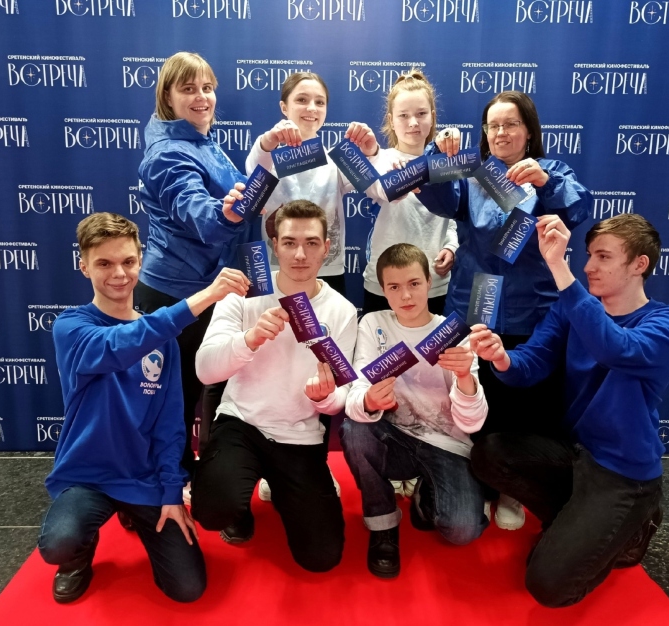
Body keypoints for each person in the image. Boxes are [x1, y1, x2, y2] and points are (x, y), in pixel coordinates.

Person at [469, 213, 669, 607]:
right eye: (588, 255)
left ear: (639, 264)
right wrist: (502, 358)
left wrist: (559, 268)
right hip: (575, 454)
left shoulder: (667, 323)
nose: (588, 267)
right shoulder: (571, 308)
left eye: (603, 257)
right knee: (491, 454)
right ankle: (577, 524)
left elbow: (615, 348)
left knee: (548, 587)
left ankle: (634, 524)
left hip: (623, 473)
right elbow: (531, 362)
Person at [38, 212, 251, 604]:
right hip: (88, 476)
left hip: (144, 479)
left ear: (141, 262)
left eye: (128, 261)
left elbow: (170, 422)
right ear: (84, 266)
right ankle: (77, 559)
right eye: (104, 263)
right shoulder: (71, 327)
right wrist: (205, 296)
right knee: (59, 541)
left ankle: (135, 510)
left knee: (188, 589)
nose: (119, 274)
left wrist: (171, 493)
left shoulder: (162, 338)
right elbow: (119, 346)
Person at [417, 91, 592, 529]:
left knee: (525, 406)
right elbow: (435, 198)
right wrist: (436, 155)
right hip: (474, 307)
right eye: (493, 125)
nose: (501, 133)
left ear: (528, 130)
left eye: (510, 124)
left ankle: (514, 487)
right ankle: (478, 483)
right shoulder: (471, 174)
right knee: (475, 401)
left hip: (532, 311)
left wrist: (545, 183)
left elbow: (577, 209)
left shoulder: (551, 171)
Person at [190, 200, 358, 573]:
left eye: (311, 243)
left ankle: (281, 488)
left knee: (322, 557)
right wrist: (248, 339)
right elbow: (205, 370)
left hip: (299, 436)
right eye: (289, 242)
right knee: (214, 509)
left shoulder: (342, 311)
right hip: (242, 423)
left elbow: (342, 398)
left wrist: (326, 397)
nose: (300, 254)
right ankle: (237, 495)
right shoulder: (244, 295)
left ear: (326, 248)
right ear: (275, 246)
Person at [135, 51, 250, 481]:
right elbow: (199, 213)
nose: (202, 97)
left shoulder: (198, 139)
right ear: (167, 96)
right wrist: (227, 214)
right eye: (189, 89)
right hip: (176, 293)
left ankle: (190, 474)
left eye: (207, 88)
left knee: (197, 389)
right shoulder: (168, 154)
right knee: (174, 396)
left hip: (208, 287)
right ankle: (165, 483)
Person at [341, 243, 488, 579]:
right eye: (394, 287)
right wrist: (369, 401)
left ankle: (425, 495)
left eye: (414, 284)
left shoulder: (455, 335)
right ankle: (383, 523)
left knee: (462, 531)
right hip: (394, 438)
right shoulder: (373, 323)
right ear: (383, 290)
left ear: (429, 283)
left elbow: (474, 422)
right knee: (354, 428)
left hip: (447, 444)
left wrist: (465, 378)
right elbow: (355, 396)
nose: (405, 295)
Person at [245, 71, 379, 296]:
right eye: (301, 100)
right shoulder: (268, 156)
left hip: (327, 271)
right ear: (284, 107)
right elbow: (254, 170)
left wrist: (372, 151)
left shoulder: (336, 162)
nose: (312, 108)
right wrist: (270, 139)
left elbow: (376, 186)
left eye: (320, 102)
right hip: (278, 270)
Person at [361, 71, 458, 316]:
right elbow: (377, 189)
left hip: (433, 283)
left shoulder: (447, 163)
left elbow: (454, 217)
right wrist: (396, 184)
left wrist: (451, 247)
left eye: (421, 114)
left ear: (432, 117)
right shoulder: (379, 160)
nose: (413, 122)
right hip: (384, 284)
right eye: (403, 115)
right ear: (391, 120)